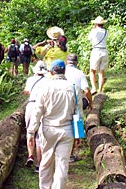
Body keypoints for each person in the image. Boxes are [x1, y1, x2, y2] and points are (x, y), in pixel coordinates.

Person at [27, 59, 83, 189]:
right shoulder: (74, 88)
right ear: (64, 71)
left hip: (48, 130)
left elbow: (37, 111)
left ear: (51, 72)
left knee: (46, 163)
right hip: (67, 130)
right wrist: (78, 134)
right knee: (62, 165)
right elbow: (79, 113)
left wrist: (31, 131)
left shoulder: (45, 87)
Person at [24, 61, 51, 173]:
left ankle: (30, 155)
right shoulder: (48, 81)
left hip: (31, 105)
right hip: (42, 107)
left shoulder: (30, 79)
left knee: (30, 132)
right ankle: (38, 164)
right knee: (39, 136)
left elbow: (26, 91)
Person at [65, 53, 92, 162]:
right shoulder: (79, 73)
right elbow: (87, 90)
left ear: (67, 62)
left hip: (62, 103)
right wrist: (91, 102)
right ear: (76, 63)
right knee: (77, 126)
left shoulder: (62, 71)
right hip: (76, 103)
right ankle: (72, 153)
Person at [88, 16, 109, 94]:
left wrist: (93, 29)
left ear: (96, 24)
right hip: (104, 51)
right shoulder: (106, 32)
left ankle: (94, 88)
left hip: (96, 50)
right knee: (101, 71)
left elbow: (89, 38)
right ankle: (100, 90)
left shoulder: (94, 31)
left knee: (92, 70)